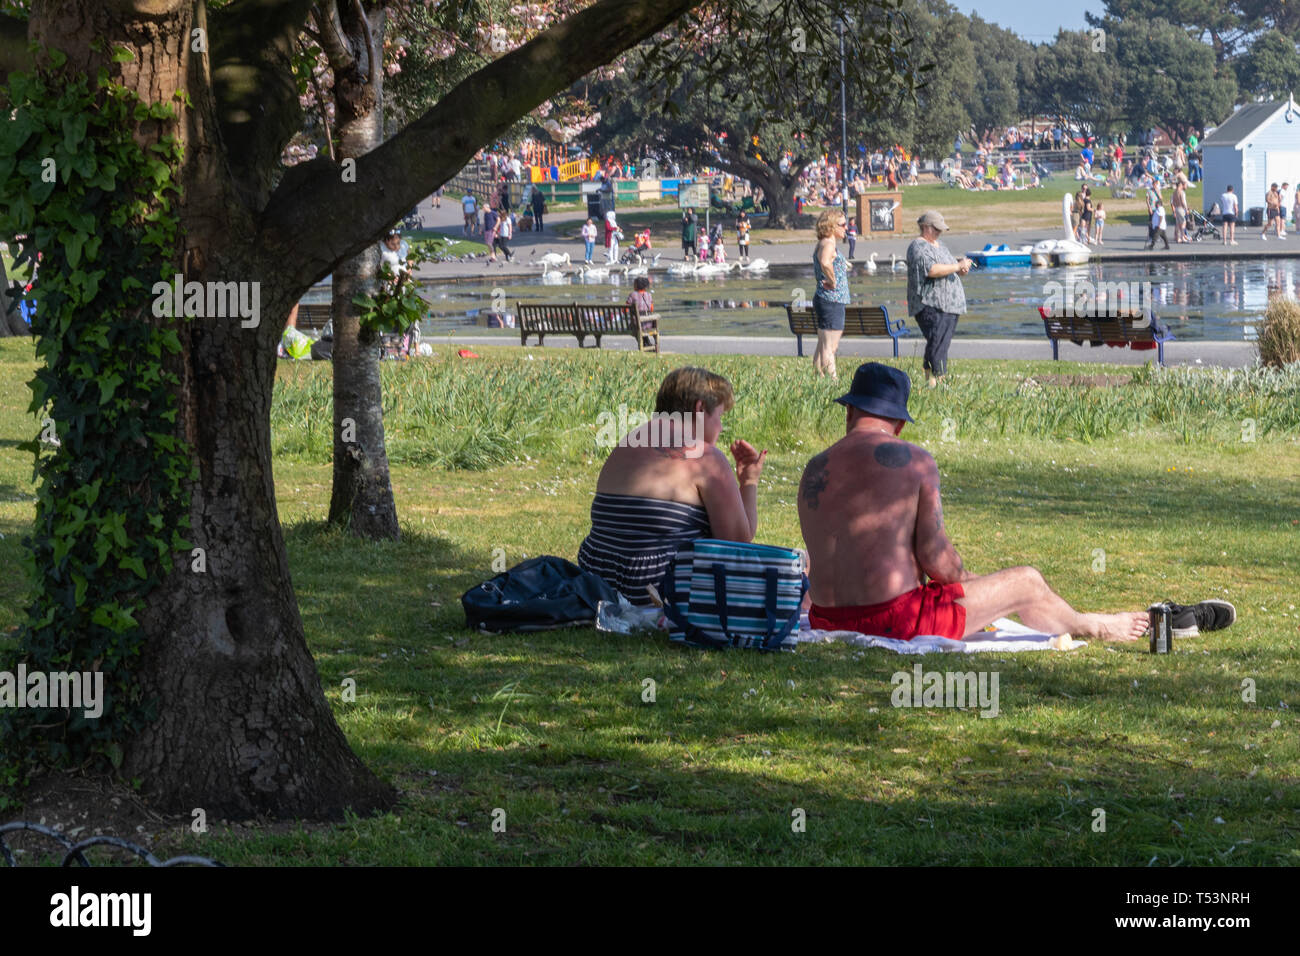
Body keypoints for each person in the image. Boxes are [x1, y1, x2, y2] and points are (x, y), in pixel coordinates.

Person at [795, 362, 1152, 643]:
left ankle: (1077, 620)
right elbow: (940, 563)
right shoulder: (916, 461)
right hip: (897, 622)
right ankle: (1093, 627)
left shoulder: (815, 467)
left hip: (825, 618)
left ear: (849, 412)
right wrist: (972, 584)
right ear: (900, 423)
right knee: (1026, 582)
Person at [577, 367, 767, 606]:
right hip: (652, 589)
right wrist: (749, 481)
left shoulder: (627, 442)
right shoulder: (705, 458)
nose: (720, 427)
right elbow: (738, 547)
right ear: (700, 409)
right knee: (794, 568)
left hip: (595, 583)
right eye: (719, 417)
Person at [907, 210, 970, 389]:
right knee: (938, 340)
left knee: (939, 341)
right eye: (936, 229)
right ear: (926, 227)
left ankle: (932, 382)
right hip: (930, 303)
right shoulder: (918, 246)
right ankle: (938, 380)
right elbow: (932, 270)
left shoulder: (940, 245)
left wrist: (961, 269)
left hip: (950, 304)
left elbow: (949, 267)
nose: (939, 233)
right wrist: (957, 265)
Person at [811, 209, 850, 379]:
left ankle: (817, 376)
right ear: (831, 226)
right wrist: (833, 281)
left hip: (827, 299)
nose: (846, 228)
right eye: (842, 224)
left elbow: (828, 261)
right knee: (830, 347)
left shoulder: (824, 242)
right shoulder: (828, 243)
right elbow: (825, 262)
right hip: (832, 300)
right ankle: (832, 382)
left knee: (823, 344)